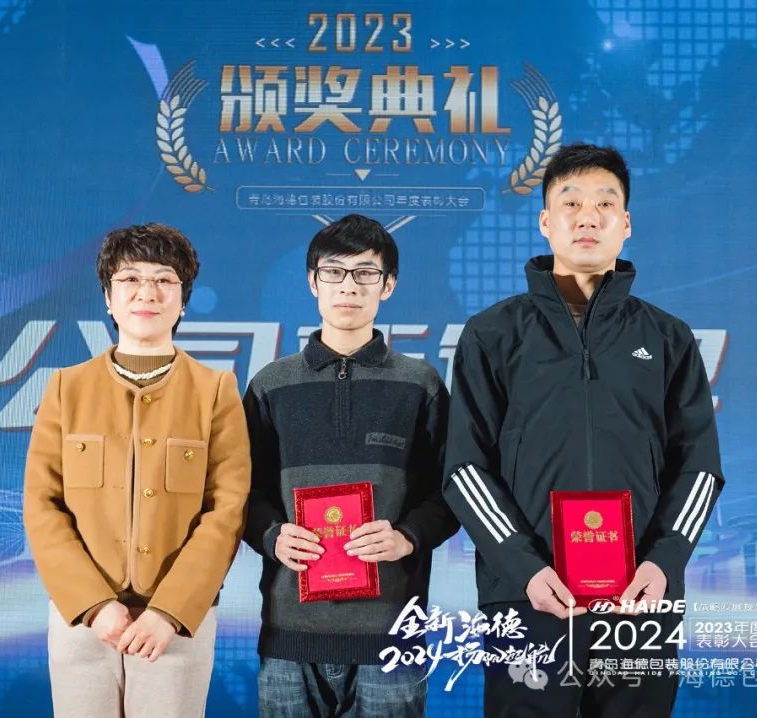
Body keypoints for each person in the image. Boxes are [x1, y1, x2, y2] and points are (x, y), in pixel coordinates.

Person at [443, 144, 724, 717]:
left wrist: (662, 563)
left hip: (639, 596)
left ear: (626, 224)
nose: (587, 216)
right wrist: (524, 567)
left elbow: (699, 468)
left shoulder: (668, 338)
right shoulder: (492, 334)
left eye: (605, 203)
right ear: (546, 222)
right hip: (527, 596)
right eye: (570, 202)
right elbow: (465, 469)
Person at [23, 222, 250, 718]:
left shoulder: (216, 392)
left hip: (177, 624)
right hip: (82, 620)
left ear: (183, 300)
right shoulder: (66, 389)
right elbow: (42, 506)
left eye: (164, 280)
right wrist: (92, 604)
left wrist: (170, 611)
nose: (147, 292)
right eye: (129, 279)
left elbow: (227, 511)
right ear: (108, 298)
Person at [243, 213, 459, 717]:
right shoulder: (271, 384)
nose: (348, 286)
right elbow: (238, 491)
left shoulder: (420, 384)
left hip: (391, 637)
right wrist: (272, 536)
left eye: (365, 273)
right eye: (334, 272)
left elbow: (453, 489)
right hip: (289, 635)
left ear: (388, 285)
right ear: (312, 281)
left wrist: (408, 536)